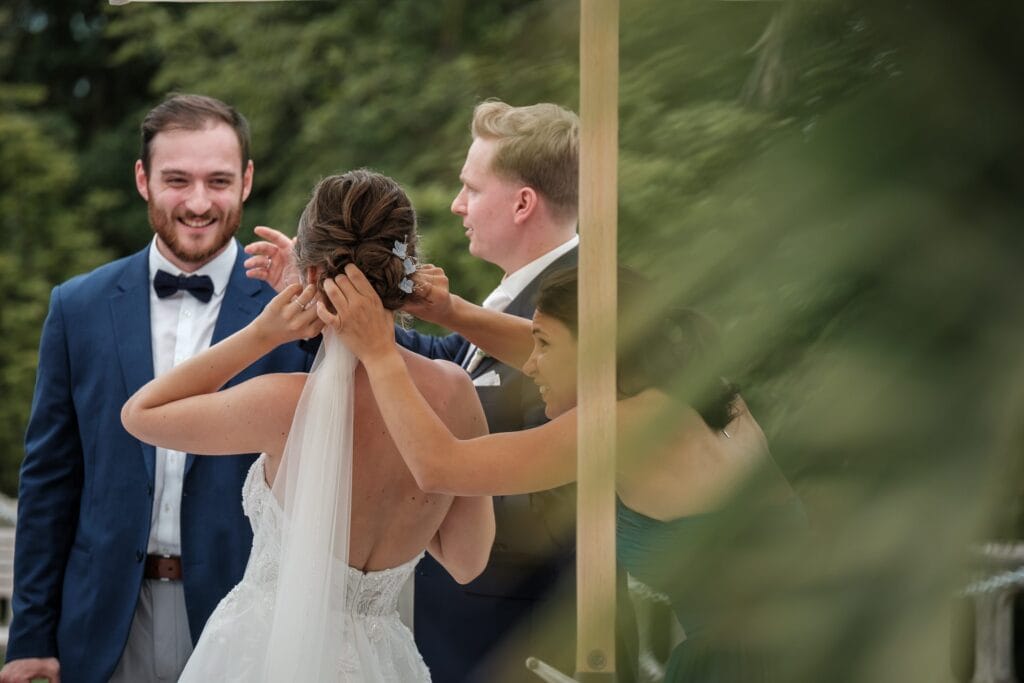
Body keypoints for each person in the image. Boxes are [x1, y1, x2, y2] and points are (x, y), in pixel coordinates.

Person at [318, 261, 807, 682]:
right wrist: (451, 312)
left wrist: (379, 352)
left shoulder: (615, 428)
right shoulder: (702, 392)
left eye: (545, 345)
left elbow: (439, 466)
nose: (530, 365)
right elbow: (559, 359)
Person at [245, 99, 590, 682]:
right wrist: (330, 310)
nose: (458, 205)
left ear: (523, 202)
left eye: (471, 188)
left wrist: (404, 502)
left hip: (524, 639)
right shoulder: (510, 305)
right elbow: (443, 375)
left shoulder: (587, 305)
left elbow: (546, 483)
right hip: (449, 636)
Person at [120, 169, 495, 682]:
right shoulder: (457, 396)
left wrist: (261, 333)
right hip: (381, 665)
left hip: (260, 654)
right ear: (406, 266)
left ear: (312, 274)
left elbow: (140, 414)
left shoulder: (287, 404)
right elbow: (467, 560)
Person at [0, 94, 314, 683]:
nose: (199, 203)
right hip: (104, 622)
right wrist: (30, 635)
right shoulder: (78, 306)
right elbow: (48, 481)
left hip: (249, 615)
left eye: (218, 180)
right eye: (177, 180)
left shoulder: (293, 307)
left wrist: (322, 304)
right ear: (143, 179)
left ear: (246, 181)